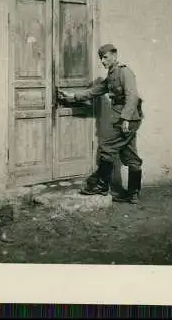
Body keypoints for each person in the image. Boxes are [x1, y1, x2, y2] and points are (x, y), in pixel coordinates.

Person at [58, 44, 144, 204]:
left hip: (127, 119)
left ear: (114, 55)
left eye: (105, 57)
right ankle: (133, 194)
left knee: (106, 148)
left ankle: (102, 186)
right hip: (127, 120)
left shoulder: (124, 72)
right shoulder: (111, 76)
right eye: (101, 58)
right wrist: (72, 96)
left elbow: (132, 96)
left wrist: (125, 118)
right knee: (130, 155)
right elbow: (94, 91)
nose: (103, 61)